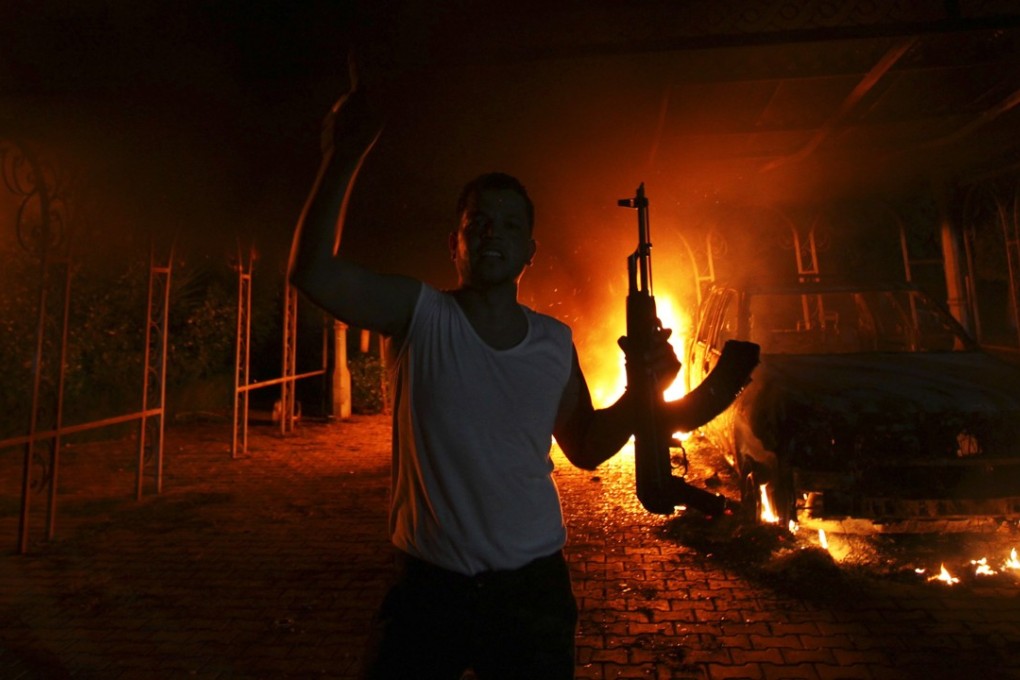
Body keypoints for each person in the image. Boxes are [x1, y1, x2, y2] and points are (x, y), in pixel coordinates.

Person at [289, 58, 757, 680]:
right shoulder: (420, 316)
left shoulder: (554, 343)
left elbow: (588, 447)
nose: (491, 233)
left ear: (528, 252)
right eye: (476, 222)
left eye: (509, 224)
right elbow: (314, 272)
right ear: (454, 243)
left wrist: (645, 388)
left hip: (533, 590)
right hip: (431, 589)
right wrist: (342, 154)